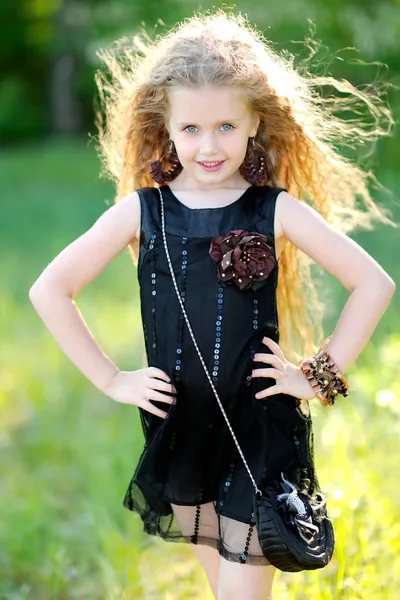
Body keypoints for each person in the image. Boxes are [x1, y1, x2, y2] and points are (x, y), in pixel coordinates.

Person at [29, 9, 396, 600]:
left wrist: (317, 376)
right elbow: (50, 288)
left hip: (257, 432)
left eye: (226, 125)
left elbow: (374, 283)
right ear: (166, 128)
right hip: (181, 431)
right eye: (191, 129)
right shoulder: (142, 212)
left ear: (256, 121)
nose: (208, 145)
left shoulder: (272, 209)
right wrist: (112, 380)